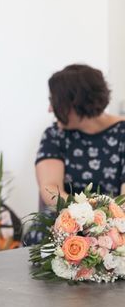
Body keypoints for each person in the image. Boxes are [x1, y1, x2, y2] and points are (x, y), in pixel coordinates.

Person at [35, 64, 125, 206]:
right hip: (64, 221)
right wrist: (82, 216)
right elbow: (50, 188)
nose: (50, 109)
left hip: (116, 223)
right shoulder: (54, 135)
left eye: (54, 102)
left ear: (76, 103)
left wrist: (103, 223)